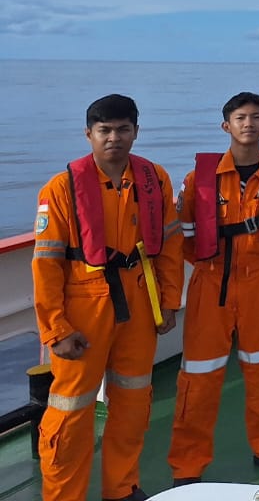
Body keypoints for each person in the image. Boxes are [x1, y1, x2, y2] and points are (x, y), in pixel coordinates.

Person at [33, 94, 183, 501]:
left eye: (122, 129)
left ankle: (122, 488)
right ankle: (64, 496)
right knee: (70, 411)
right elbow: (45, 265)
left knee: (134, 402)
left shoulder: (155, 179)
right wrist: (56, 329)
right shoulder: (61, 188)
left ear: (136, 131)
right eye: (104, 130)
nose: (113, 137)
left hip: (139, 299)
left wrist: (169, 301)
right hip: (83, 306)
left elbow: (168, 246)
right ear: (89, 135)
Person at [168, 92, 259, 485]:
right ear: (226, 126)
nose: (249, 124)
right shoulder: (199, 180)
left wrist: (251, 259)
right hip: (211, 283)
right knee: (199, 378)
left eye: (256, 117)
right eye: (240, 118)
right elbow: (185, 237)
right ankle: (188, 465)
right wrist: (213, 266)